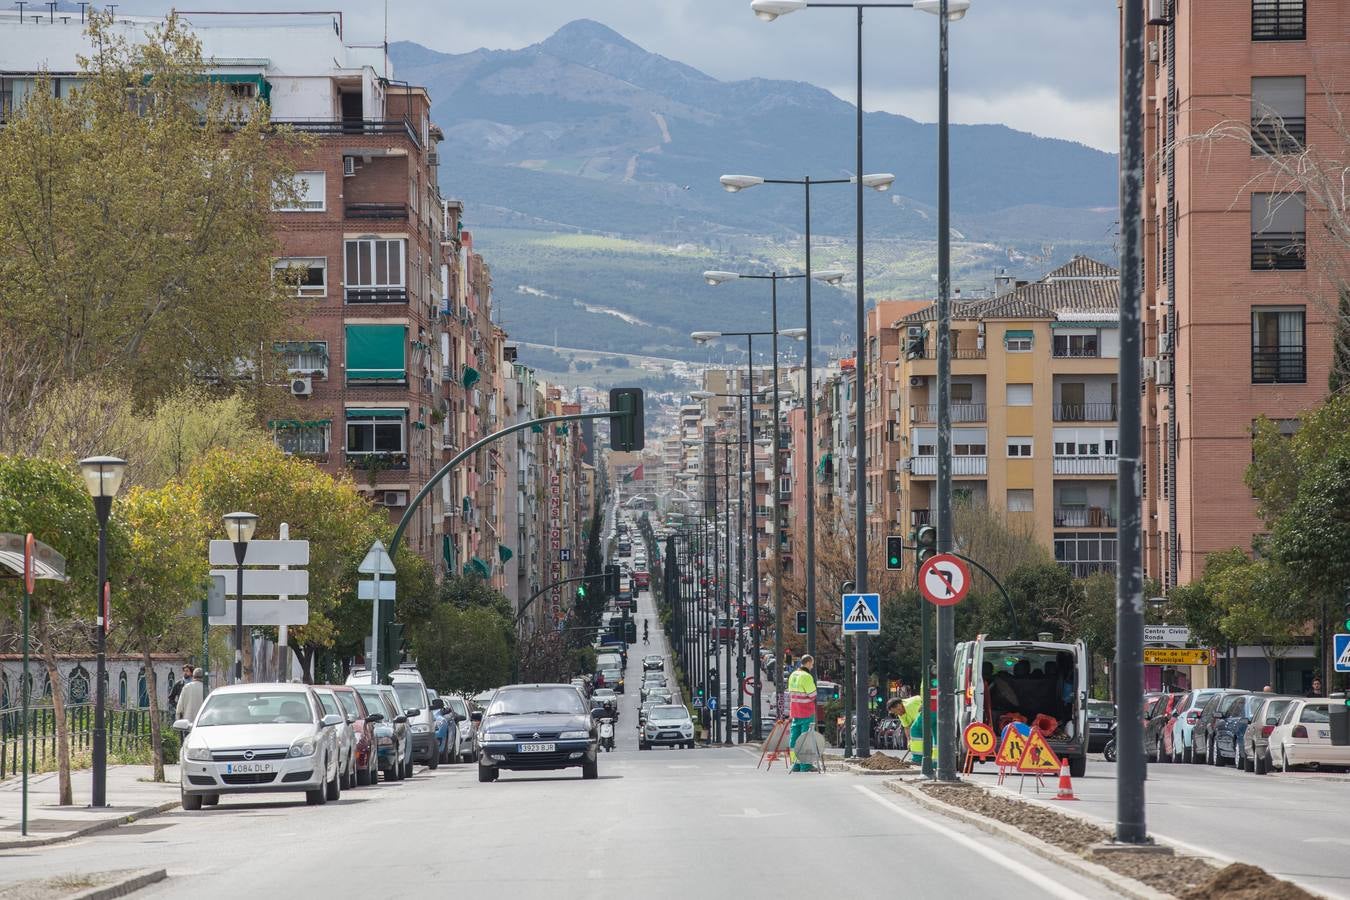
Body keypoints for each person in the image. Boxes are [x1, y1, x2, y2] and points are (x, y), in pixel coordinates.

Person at [786, 653, 817, 772]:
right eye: (812, 664)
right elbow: (812, 694)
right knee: (806, 738)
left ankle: (795, 764)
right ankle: (805, 765)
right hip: (806, 711)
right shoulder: (807, 676)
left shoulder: (793, 675)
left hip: (795, 710)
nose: (812, 667)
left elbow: (790, 692)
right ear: (808, 663)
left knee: (794, 738)